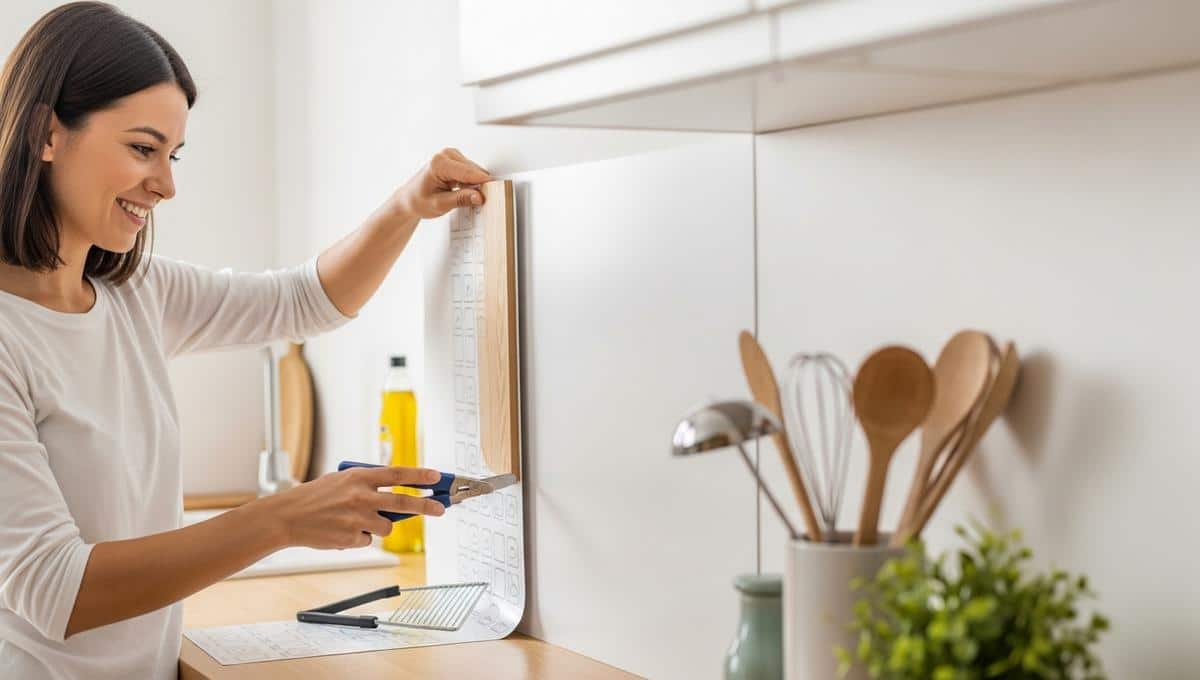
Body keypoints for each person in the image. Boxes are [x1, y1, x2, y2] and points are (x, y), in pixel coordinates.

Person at [0, 3, 492, 678]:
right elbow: (56, 589)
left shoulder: (133, 294)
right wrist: (281, 519)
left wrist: (407, 205)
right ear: (45, 133)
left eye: (172, 155)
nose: (166, 185)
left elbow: (304, 301)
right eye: (142, 149)